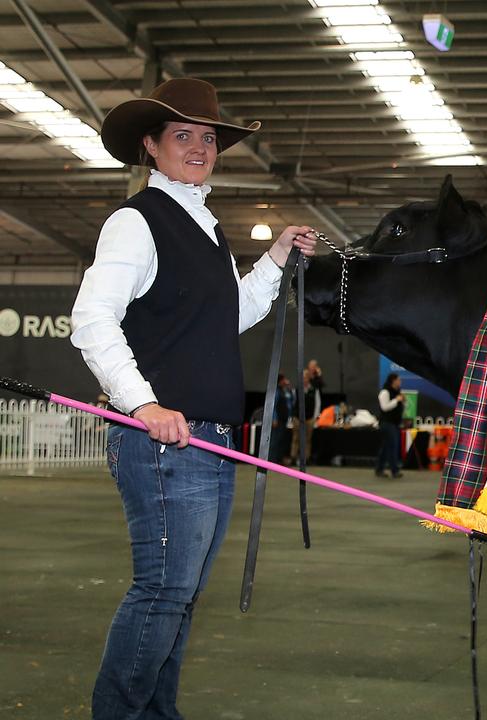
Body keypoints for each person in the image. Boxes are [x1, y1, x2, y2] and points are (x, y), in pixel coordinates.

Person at [69, 77, 317, 719]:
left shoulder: (203, 227)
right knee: (162, 594)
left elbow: (225, 316)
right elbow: (91, 318)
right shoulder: (136, 221)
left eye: (208, 137)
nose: (200, 146)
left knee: (176, 598)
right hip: (164, 444)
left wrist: (275, 256)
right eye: (183, 135)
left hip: (210, 443)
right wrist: (142, 406)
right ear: (151, 146)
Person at [290, 360, 323, 465]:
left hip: (309, 419)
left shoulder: (314, 390)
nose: (304, 379)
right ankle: (293, 457)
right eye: (302, 377)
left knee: (307, 440)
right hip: (297, 418)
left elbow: (317, 403)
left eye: (306, 377)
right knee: (296, 438)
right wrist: (292, 417)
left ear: (309, 378)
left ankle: (306, 458)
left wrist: (315, 417)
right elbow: (293, 402)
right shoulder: (296, 390)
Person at [376, 373, 405, 478]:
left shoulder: (397, 392)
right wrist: (396, 400)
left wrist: (401, 401)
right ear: (393, 380)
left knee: (385, 447)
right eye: (398, 379)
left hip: (394, 423)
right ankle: (394, 470)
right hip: (387, 423)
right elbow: (385, 407)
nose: (400, 381)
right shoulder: (385, 392)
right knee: (393, 447)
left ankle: (379, 469)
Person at [270, 373, 294, 464]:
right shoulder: (276, 391)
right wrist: (274, 418)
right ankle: (271, 459)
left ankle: (278, 459)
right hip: (277, 420)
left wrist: (289, 388)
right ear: (280, 381)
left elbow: (290, 402)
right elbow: (273, 406)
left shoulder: (285, 391)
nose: (286, 381)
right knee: (274, 440)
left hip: (284, 420)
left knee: (281, 441)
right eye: (284, 379)